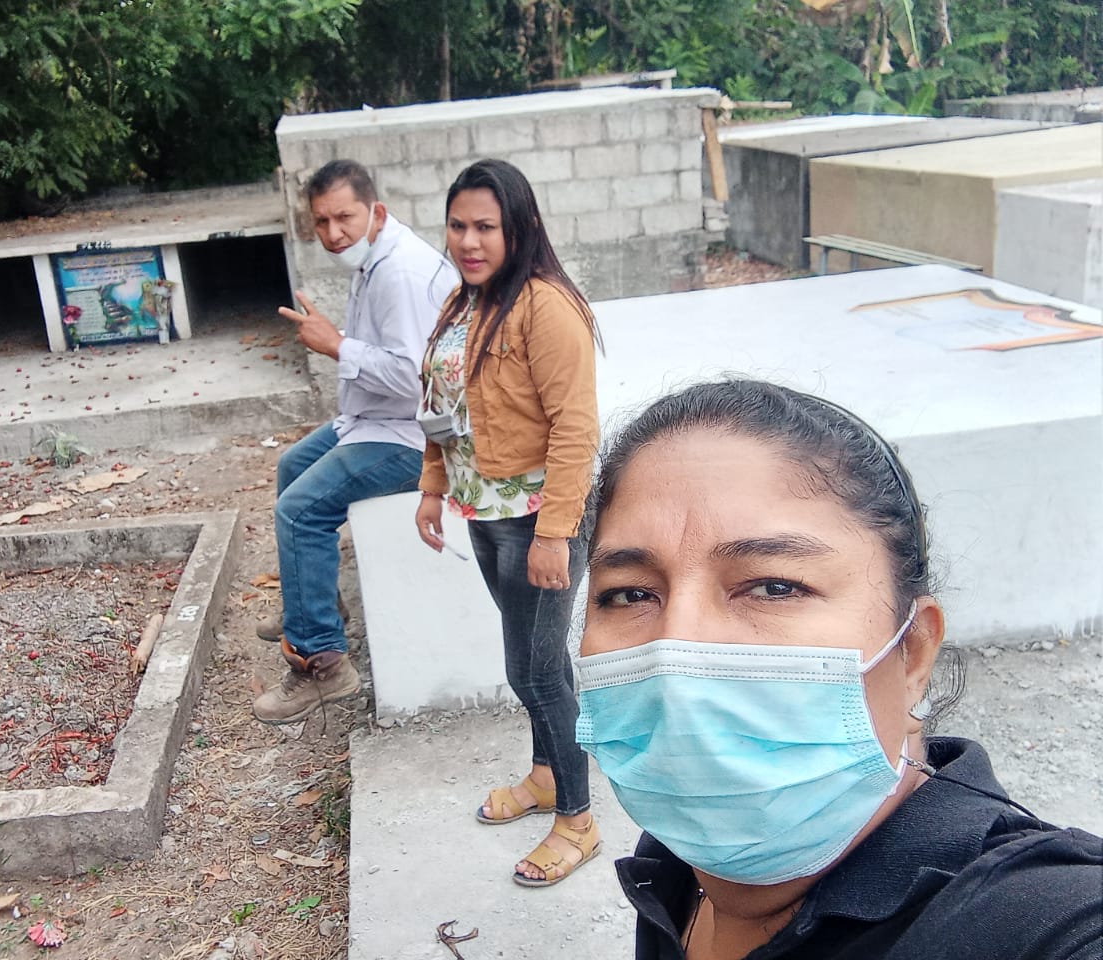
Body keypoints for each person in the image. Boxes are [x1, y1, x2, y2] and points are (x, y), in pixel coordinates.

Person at [575, 378, 1103, 959]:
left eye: (774, 586)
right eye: (629, 594)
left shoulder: (1035, 921)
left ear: (914, 652)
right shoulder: (674, 863)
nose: (676, 653)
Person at [414, 159, 603, 886]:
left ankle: (578, 821)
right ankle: (548, 776)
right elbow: (441, 409)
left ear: (518, 228)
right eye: (458, 225)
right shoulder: (463, 303)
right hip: (485, 514)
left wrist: (555, 534)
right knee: (535, 663)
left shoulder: (545, 307)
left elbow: (575, 427)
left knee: (536, 670)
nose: (468, 240)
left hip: (535, 520)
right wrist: (432, 489)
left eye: (485, 227)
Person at [253, 159, 457, 725]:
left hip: (418, 437)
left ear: (376, 212)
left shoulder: (400, 273)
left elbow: (416, 378)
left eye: (344, 217)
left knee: (299, 511)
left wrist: (338, 346)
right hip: (378, 419)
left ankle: (323, 665)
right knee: (291, 468)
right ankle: (315, 608)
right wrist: (341, 342)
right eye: (321, 221)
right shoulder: (375, 258)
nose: (333, 232)